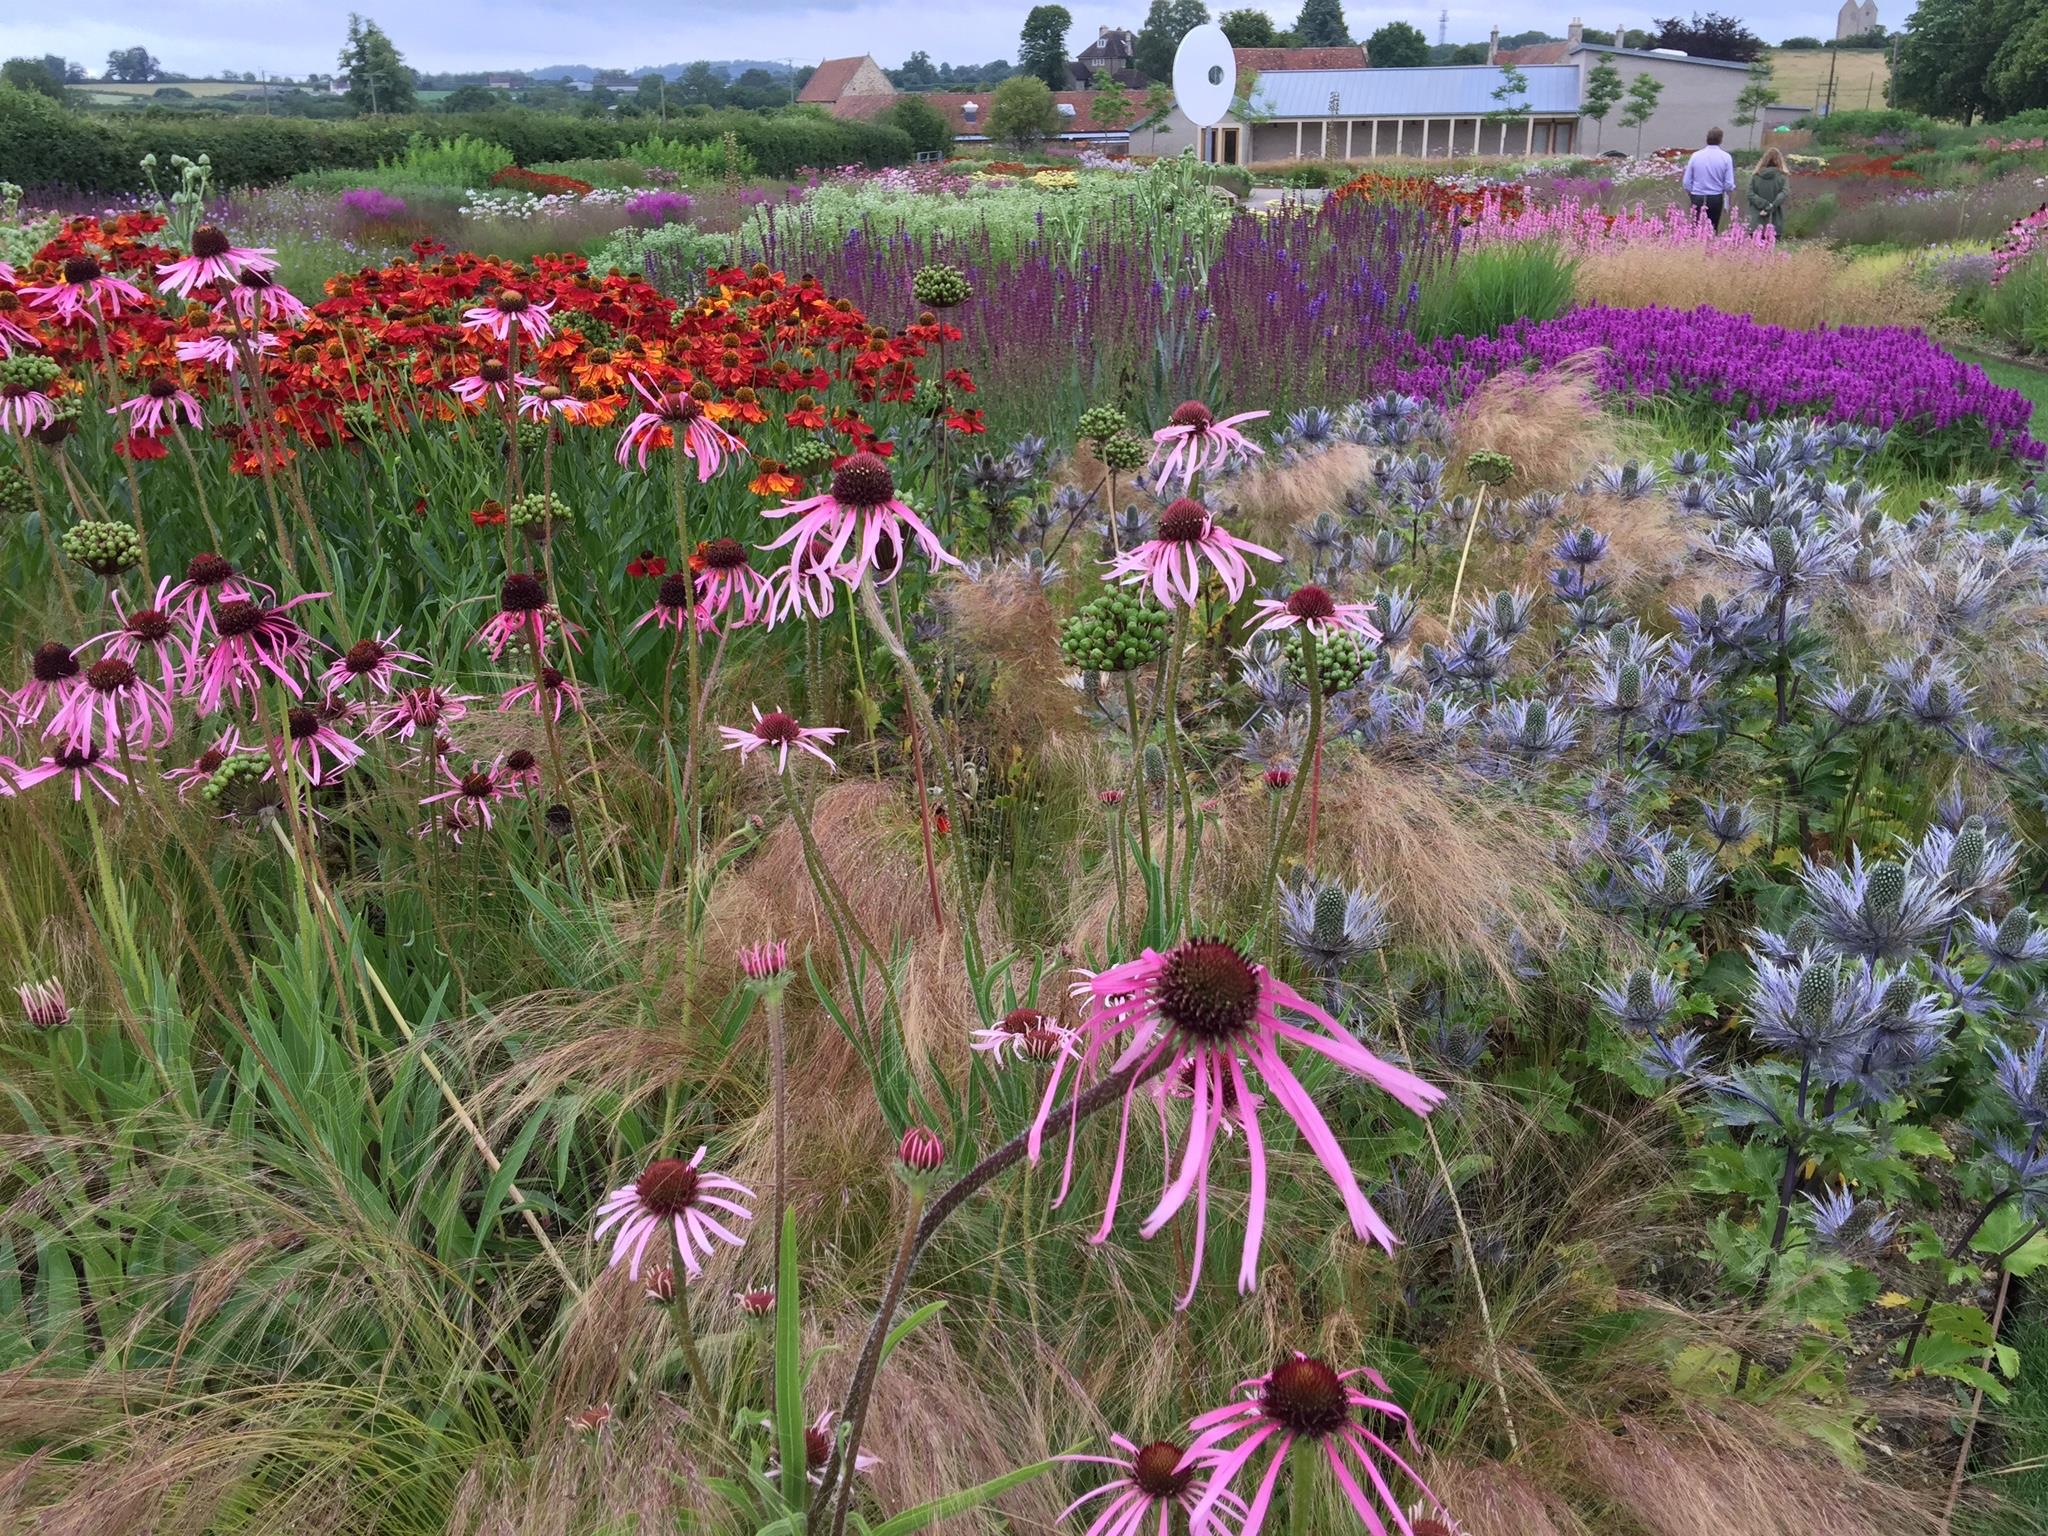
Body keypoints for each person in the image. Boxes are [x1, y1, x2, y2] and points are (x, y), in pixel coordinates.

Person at [1683, 126, 1736, 233]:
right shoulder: (1726, 157)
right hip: (1715, 197)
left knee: (1695, 228)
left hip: (1697, 196)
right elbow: (1729, 184)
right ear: (1721, 140)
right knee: (1712, 228)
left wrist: (1691, 192)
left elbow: (1686, 182)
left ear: (1707, 138)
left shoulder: (1695, 156)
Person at [1747, 146, 1790, 239]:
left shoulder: (1756, 176)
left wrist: (1764, 205)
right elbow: (1784, 194)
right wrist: (1770, 206)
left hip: (1756, 220)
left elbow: (1750, 194)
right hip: (1774, 221)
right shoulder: (1782, 177)